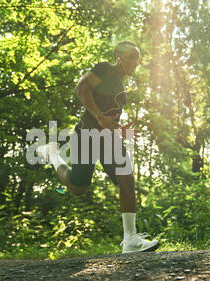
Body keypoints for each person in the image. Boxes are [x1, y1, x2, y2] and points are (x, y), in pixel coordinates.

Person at [37, 41, 160, 254]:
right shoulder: (104, 69)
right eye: (131, 56)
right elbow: (81, 88)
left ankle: (130, 240)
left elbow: (109, 115)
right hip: (87, 132)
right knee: (78, 188)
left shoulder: (121, 85)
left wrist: (118, 129)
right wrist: (100, 117)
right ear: (118, 56)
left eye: (137, 58)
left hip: (108, 137)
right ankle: (54, 154)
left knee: (127, 177)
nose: (135, 62)